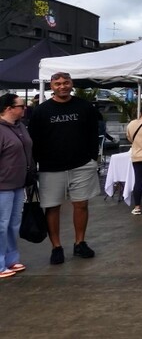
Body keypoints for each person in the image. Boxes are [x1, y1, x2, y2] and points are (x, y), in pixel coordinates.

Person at [28, 72, 100, 265]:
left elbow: (94, 133)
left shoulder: (85, 107)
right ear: (51, 86)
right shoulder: (41, 111)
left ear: (71, 84)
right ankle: (56, 247)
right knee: (52, 208)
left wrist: (92, 158)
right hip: (50, 168)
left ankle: (80, 243)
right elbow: (33, 140)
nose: (62, 86)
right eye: (58, 83)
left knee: (81, 205)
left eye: (66, 82)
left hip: (82, 165)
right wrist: (35, 165)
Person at [0, 94, 33, 278]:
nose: (24, 109)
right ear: (8, 108)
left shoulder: (20, 127)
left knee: (13, 224)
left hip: (19, 183)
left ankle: (11, 258)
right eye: (21, 106)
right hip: (3, 184)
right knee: (1, 224)